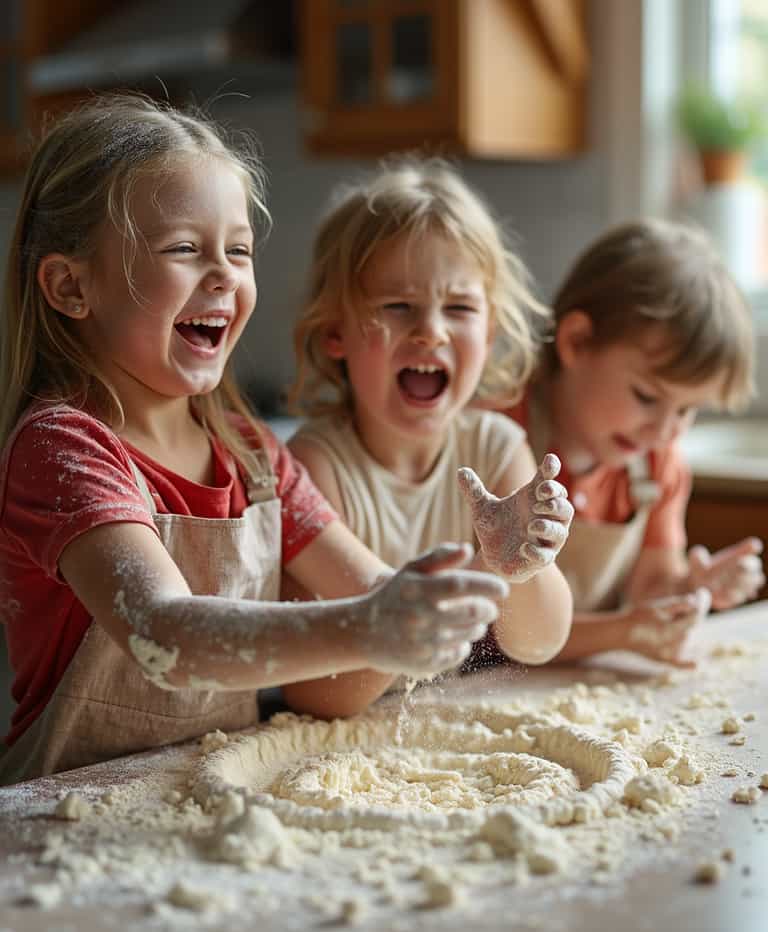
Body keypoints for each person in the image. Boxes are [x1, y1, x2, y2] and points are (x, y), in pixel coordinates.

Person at [0, 96, 511, 783]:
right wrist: (369, 628)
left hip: (213, 788)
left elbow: (370, 589)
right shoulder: (63, 450)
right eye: (184, 248)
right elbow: (163, 634)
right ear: (70, 285)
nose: (223, 275)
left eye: (237, 251)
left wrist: (471, 583)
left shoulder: (251, 454)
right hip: (64, 815)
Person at [285, 157, 574, 714]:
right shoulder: (314, 467)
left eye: (460, 308)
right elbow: (311, 692)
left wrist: (521, 567)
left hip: (438, 717)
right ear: (334, 334)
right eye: (398, 306)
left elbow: (539, 643)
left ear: (488, 334)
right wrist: (407, 629)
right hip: (338, 742)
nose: (431, 331)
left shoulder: (496, 447)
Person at [501, 218, 765, 667]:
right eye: (647, 397)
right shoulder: (498, 433)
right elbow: (500, 628)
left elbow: (653, 588)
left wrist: (691, 591)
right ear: (576, 342)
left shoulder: (655, 467)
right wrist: (624, 631)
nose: (665, 431)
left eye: (687, 409)